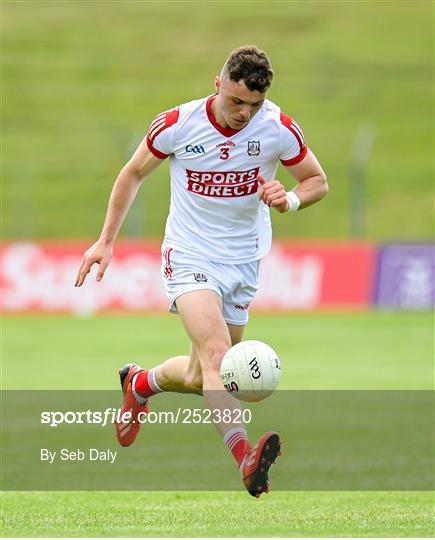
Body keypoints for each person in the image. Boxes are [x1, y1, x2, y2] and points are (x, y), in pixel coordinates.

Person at [75, 45, 328, 497]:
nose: (243, 114)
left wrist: (288, 200)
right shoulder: (178, 124)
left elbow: (316, 180)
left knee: (204, 376)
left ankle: (141, 382)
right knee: (216, 355)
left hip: (244, 261)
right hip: (189, 254)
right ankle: (244, 457)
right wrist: (106, 240)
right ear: (218, 84)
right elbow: (132, 173)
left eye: (253, 105)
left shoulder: (276, 128)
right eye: (236, 101)